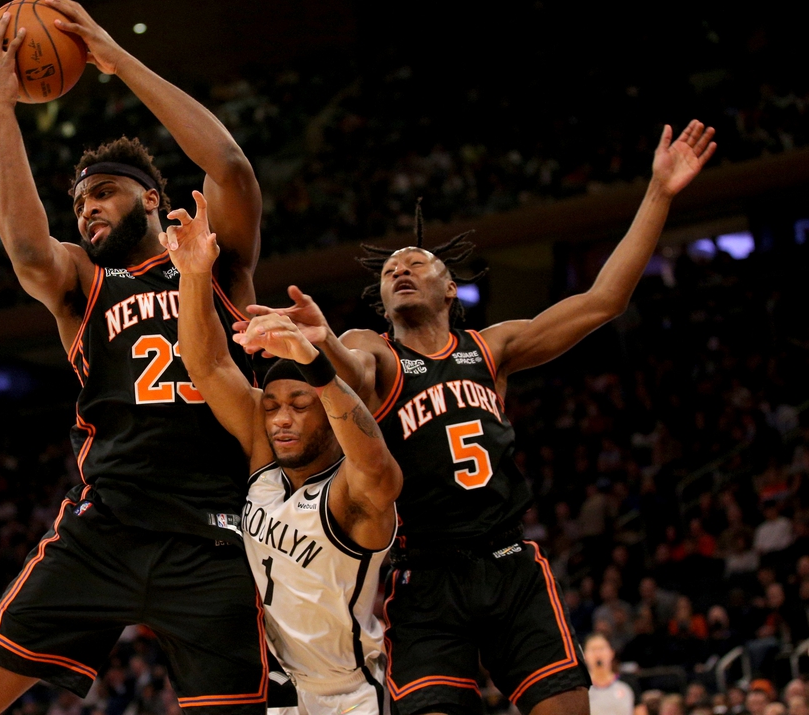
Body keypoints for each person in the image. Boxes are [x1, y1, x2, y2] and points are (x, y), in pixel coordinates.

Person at [237, 120, 717, 714]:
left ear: (450, 290)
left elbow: (603, 301)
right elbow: (350, 375)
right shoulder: (375, 350)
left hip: (510, 564)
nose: (401, 270)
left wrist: (659, 193)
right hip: (426, 576)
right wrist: (318, 349)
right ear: (382, 302)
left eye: (417, 263)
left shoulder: (493, 349)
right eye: (389, 271)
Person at [0, 0, 267, 714]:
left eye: (105, 194)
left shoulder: (214, 260)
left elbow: (231, 167)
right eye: (81, 202)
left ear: (152, 197)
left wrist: (114, 59)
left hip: (215, 531)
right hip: (103, 523)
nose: (88, 210)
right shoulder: (85, 282)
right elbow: (24, 248)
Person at [159, 190, 402, 713]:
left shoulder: (352, 494)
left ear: (329, 416)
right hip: (279, 690)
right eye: (271, 407)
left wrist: (318, 367)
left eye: (299, 405)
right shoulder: (266, 464)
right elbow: (208, 366)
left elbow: (379, 465)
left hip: (352, 695)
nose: (281, 419)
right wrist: (195, 274)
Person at [583, 634, 633, 715]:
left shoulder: (628, 683)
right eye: (593, 649)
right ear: (584, 655)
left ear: (612, 652)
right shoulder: (581, 688)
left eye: (601, 648)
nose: (598, 654)